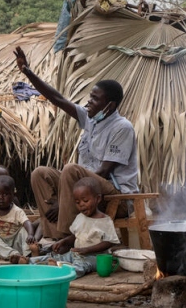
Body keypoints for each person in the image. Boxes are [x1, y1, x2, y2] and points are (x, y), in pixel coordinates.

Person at [13, 45, 139, 239]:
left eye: (95, 99)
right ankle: (56, 238)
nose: (89, 103)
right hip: (85, 191)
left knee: (72, 170)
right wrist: (28, 72)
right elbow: (57, 99)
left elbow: (104, 173)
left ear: (110, 105)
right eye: (90, 98)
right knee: (40, 173)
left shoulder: (122, 128)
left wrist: (65, 199)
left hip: (115, 196)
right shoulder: (90, 118)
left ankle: (66, 236)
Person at [15, 177, 119, 276]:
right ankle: (30, 262)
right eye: (77, 202)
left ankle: (60, 271)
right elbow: (75, 236)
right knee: (60, 257)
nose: (81, 205)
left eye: (85, 201)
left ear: (98, 199)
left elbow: (110, 242)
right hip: (77, 253)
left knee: (81, 266)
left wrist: (88, 249)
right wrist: (63, 241)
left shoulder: (105, 221)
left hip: (95, 257)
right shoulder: (80, 217)